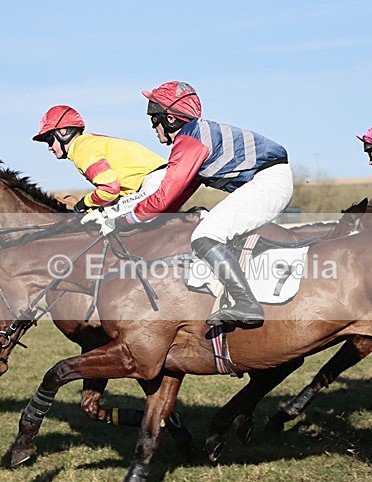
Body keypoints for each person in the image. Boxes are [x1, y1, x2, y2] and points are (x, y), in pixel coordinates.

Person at [84, 81, 293, 329]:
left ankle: (246, 303)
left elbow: (163, 198)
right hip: (269, 179)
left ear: (171, 119)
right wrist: (144, 220)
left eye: (155, 119)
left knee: (206, 234)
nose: (153, 127)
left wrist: (122, 220)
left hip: (269, 182)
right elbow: (176, 196)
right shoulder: (194, 136)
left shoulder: (189, 141)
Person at [32, 105, 168, 214]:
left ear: (63, 132)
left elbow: (110, 190)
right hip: (158, 179)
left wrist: (84, 203)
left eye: (49, 140)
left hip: (154, 182)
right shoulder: (87, 143)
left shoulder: (82, 150)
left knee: (103, 221)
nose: (49, 148)